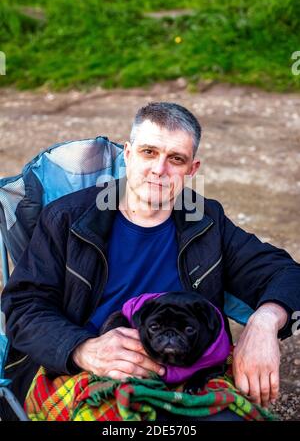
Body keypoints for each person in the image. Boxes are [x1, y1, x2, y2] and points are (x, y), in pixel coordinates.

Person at [1, 102, 300, 421]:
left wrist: (264, 322)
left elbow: (287, 274)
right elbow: (24, 307)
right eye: (148, 152)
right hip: (82, 370)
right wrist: (82, 349)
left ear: (192, 170)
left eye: (176, 159)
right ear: (128, 154)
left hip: (189, 371)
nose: (159, 170)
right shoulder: (66, 219)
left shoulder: (206, 221)